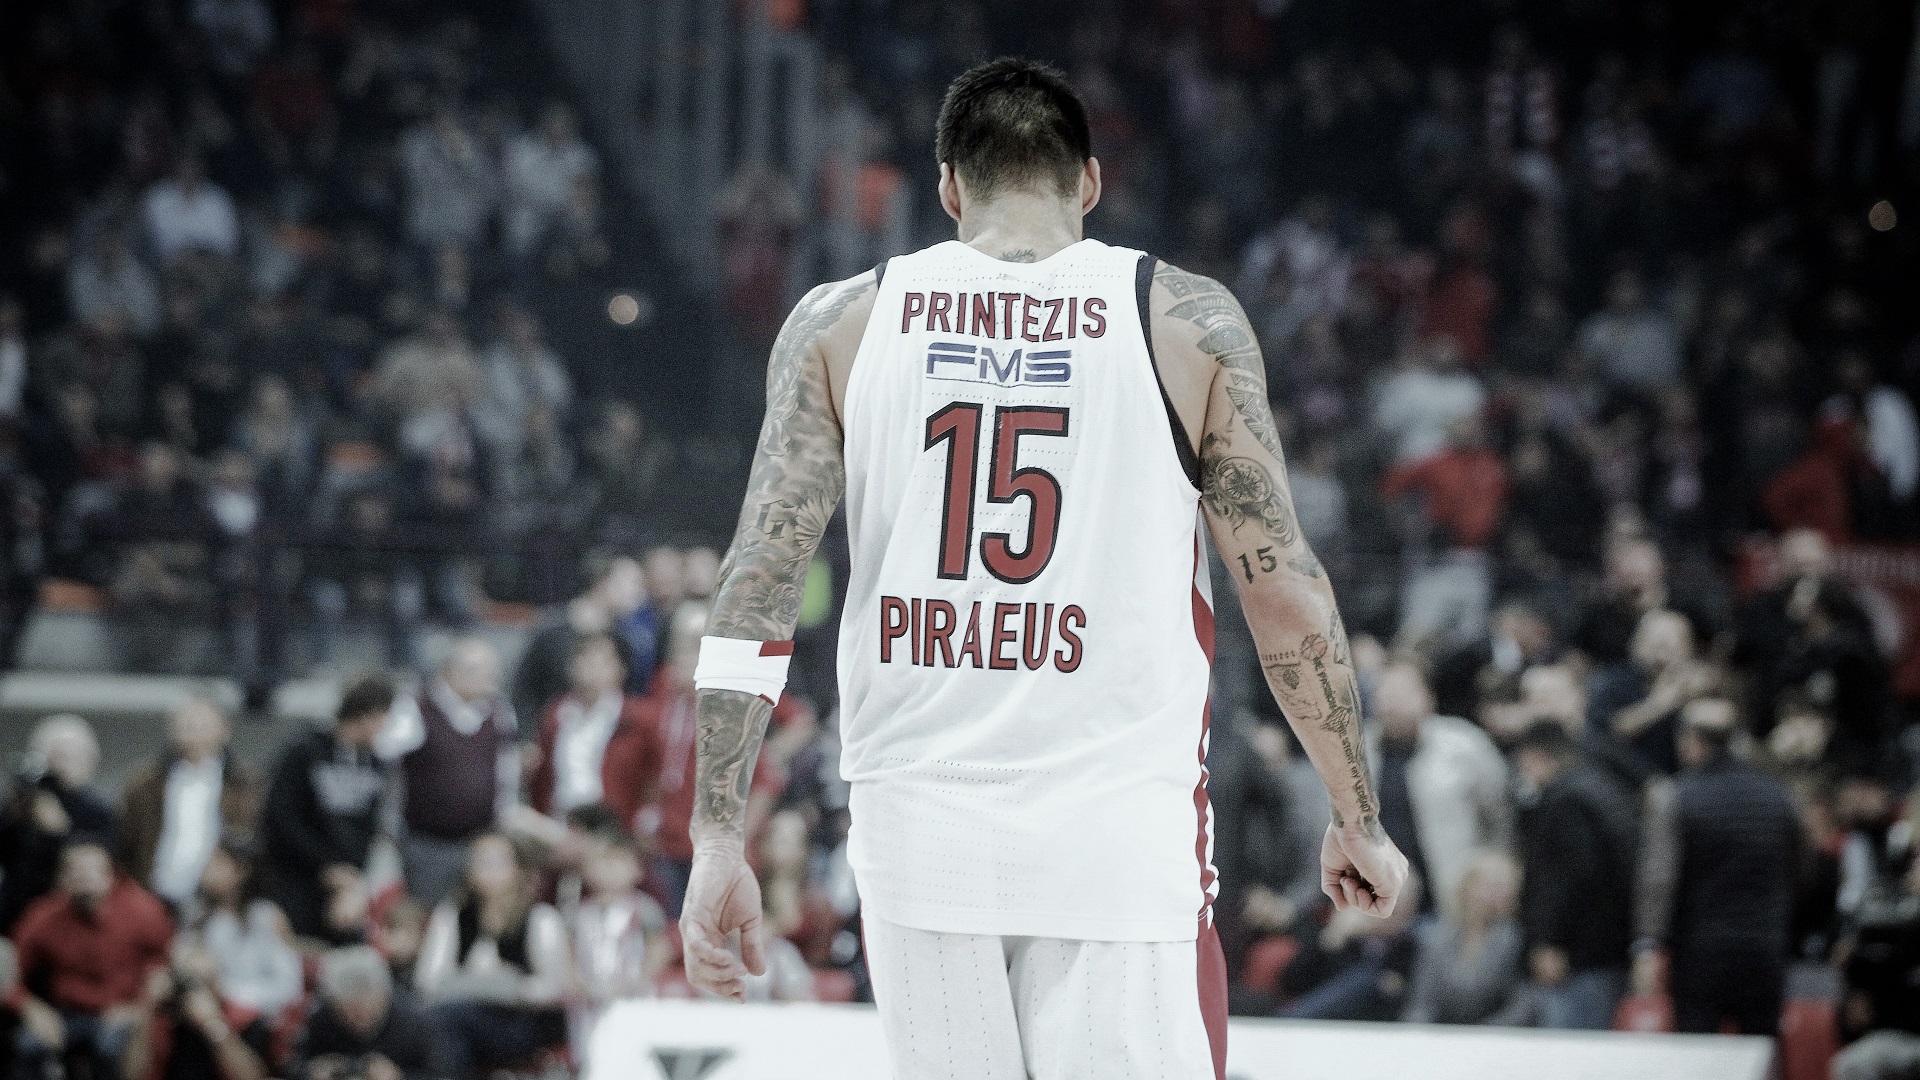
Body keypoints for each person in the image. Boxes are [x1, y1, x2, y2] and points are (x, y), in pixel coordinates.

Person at [682, 58, 1407, 1080]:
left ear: (948, 189)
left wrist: (717, 836)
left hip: (917, 828)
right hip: (1112, 826)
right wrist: (1356, 814)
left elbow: (757, 582)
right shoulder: (1182, 318)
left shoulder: (841, 322)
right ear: (1091, 183)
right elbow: (1283, 588)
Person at [1634, 698, 1800, 1037]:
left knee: (1699, 1053)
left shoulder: (1675, 796)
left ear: (1691, 743)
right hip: (1764, 945)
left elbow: (1659, 879)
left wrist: (1648, 944)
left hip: (1700, 950)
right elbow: (1799, 868)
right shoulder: (1778, 795)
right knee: (1762, 1049)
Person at [1510, 720, 1638, 1030]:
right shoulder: (1603, 787)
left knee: (1571, 1045)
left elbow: (1569, 880)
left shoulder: (1566, 802)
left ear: (1534, 756)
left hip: (1578, 958)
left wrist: (1550, 942)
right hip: (1607, 949)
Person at [8, 841, 174, 1080]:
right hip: (67, 1014)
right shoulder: (44, 916)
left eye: (92, 870)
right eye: (74, 871)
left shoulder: (143, 912)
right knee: (29, 1044)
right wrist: (29, 1007)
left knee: (112, 1048)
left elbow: (169, 968)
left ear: (110, 876)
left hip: (125, 1013)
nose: (84, 879)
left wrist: (138, 1010)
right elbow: (9, 966)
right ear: (61, 878)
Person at [1364, 661, 1512, 925]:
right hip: (1380, 906)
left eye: (1401, 693)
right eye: (1384, 693)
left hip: (1453, 900)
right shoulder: (1356, 750)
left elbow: (1499, 815)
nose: (1391, 703)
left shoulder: (1464, 744)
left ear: (1427, 698)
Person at [413, 834, 569, 1080]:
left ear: (517, 868)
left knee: (451, 1018)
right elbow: (427, 980)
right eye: (482, 862)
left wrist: (506, 988)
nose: (490, 872)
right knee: (440, 1018)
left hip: (520, 1022)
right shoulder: (453, 915)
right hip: (462, 1015)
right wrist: (483, 985)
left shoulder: (540, 918)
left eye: (498, 863)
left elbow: (554, 987)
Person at [377, 639, 520, 907]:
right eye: (483, 671)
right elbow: (382, 756)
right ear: (453, 672)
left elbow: (507, 773)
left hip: (482, 841)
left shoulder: (499, 713)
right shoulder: (416, 708)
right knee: (429, 913)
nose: (492, 679)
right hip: (429, 844)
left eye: (494, 671)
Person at [256, 676, 393, 944]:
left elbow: (368, 828)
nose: (385, 727)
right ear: (367, 716)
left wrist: (352, 878)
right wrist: (325, 865)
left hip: (345, 892)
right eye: (383, 718)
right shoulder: (304, 753)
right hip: (296, 881)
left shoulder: (375, 764)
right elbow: (281, 818)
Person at [119, 698, 260, 912]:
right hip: (153, 896)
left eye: (202, 723)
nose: (193, 729)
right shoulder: (146, 784)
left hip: (219, 901)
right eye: (186, 722)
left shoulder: (243, 784)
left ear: (224, 730)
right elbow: (128, 839)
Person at [528, 634, 663, 834]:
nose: (592, 668)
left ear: (621, 669)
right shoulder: (556, 716)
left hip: (614, 829)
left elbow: (653, 779)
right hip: (561, 826)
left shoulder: (637, 719)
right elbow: (543, 779)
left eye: (602, 661)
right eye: (584, 659)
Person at [0, 715, 115, 932]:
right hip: (19, 909)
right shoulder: (29, 801)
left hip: (71, 913)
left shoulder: (97, 811)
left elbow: (99, 863)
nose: (65, 765)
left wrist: (58, 832)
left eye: (75, 756)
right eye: (59, 756)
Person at [562, 827, 667, 1065]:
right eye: (601, 861)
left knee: (632, 1056)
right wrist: (575, 981)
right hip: (588, 1001)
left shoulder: (644, 909)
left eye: (618, 861)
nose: (609, 869)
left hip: (632, 998)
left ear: (637, 869)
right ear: (585, 868)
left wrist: (639, 980)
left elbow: (659, 949)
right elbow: (568, 951)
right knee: (591, 1055)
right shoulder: (578, 913)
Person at [512, 552, 646, 729]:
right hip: (552, 732)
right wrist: (527, 734)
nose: (639, 592)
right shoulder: (551, 631)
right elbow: (525, 689)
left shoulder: (623, 640)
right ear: (601, 583)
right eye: (631, 583)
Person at [1402, 850, 1528, 1025]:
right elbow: (1421, 1001)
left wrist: (1483, 1034)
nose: (1492, 895)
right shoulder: (1438, 937)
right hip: (1442, 1033)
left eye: (1500, 887)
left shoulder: (1515, 939)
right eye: (1486, 885)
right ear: (1465, 887)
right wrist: (1418, 1033)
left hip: (1496, 1033)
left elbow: (1522, 1003)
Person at [119, 940, 272, 1080]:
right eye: (190, 983)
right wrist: (147, 1010)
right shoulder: (164, 1022)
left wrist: (215, 1026)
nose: (196, 992)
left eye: (204, 982)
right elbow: (130, 1075)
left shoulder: (244, 1019)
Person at [186, 842, 303, 1018]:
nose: (207, 871)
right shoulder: (199, 920)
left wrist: (227, 992)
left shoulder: (266, 917)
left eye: (218, 863)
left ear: (241, 871)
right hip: (209, 1013)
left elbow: (289, 987)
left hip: (258, 1016)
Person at [293, 947, 438, 1080]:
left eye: (368, 1011)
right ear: (334, 1005)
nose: (361, 1018)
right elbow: (293, 1065)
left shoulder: (414, 1022)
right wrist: (313, 1070)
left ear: (385, 997)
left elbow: (440, 1073)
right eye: (350, 1013)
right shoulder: (323, 1020)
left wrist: (399, 1076)